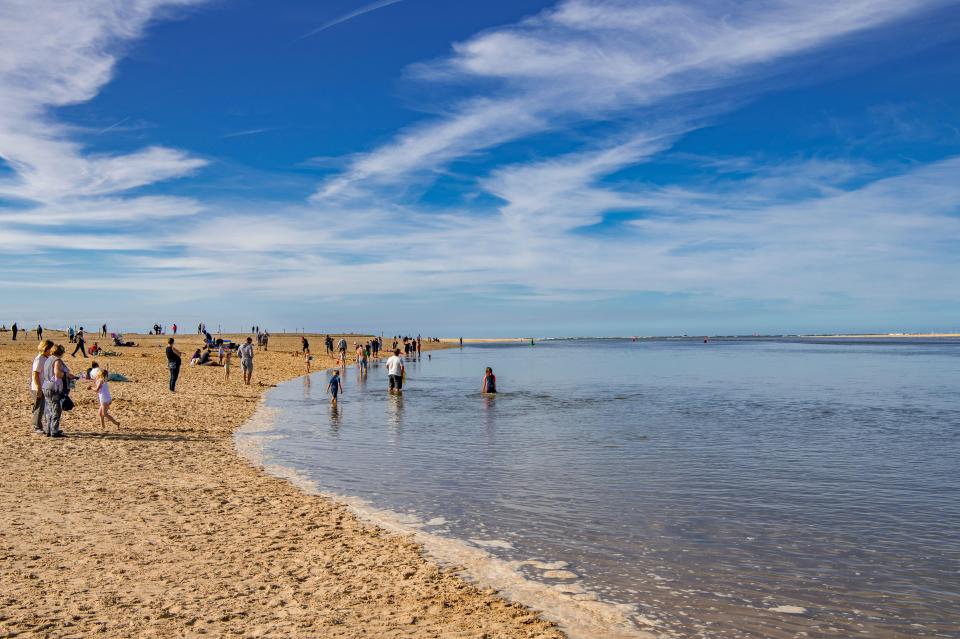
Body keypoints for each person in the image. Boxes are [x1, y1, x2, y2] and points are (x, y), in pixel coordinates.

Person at [42, 345, 76, 437]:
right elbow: (57, 373)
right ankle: (54, 431)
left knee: (49, 409)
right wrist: (67, 375)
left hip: (46, 385)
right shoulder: (57, 360)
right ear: (60, 352)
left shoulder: (48, 359)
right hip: (54, 387)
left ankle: (48, 429)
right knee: (56, 410)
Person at [30, 339, 54, 434]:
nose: (51, 351)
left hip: (44, 386)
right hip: (38, 387)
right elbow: (35, 374)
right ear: (46, 348)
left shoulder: (46, 358)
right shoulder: (39, 358)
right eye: (50, 349)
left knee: (45, 407)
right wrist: (39, 388)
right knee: (39, 407)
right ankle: (37, 427)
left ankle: (46, 427)